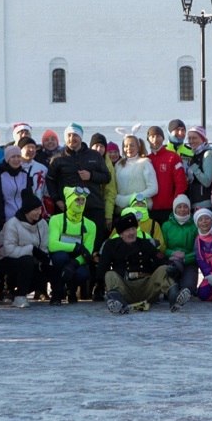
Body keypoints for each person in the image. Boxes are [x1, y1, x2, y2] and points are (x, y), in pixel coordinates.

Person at [100, 212, 191, 314]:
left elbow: (160, 258)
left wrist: (171, 266)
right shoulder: (111, 245)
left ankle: (175, 300)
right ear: (121, 234)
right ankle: (119, 304)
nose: (131, 233)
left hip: (147, 288)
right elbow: (102, 268)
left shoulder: (145, 243)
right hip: (125, 288)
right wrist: (100, 289)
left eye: (133, 229)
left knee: (163, 269)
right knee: (109, 274)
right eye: (127, 230)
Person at [46, 124, 110, 257]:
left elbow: (107, 177)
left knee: (94, 245)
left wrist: (91, 175)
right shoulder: (58, 158)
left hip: (92, 206)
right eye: (69, 135)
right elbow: (50, 181)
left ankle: (92, 269)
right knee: (70, 246)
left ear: (81, 137)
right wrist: (57, 200)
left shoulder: (94, 155)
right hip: (69, 209)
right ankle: (72, 268)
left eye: (75, 135)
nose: (72, 138)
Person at [0, 189, 49, 307]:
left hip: (31, 259)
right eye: (35, 210)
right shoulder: (12, 224)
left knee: (47, 266)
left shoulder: (43, 224)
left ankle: (16, 293)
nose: (39, 212)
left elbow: (44, 247)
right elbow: (9, 250)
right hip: (5, 260)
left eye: (40, 209)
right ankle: (20, 296)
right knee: (26, 261)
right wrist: (31, 250)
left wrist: (43, 259)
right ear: (27, 211)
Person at [47, 186, 97, 304]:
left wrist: (73, 264)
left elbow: (88, 252)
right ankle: (57, 291)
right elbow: (52, 245)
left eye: (83, 200)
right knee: (60, 257)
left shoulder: (91, 225)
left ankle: (72, 291)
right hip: (60, 258)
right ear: (69, 201)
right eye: (77, 200)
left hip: (77, 260)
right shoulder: (56, 219)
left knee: (82, 273)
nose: (80, 203)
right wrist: (76, 247)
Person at [145, 125, 188, 225]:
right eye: (152, 136)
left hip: (168, 208)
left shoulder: (173, 157)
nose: (155, 139)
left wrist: (175, 203)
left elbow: (181, 183)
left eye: (158, 136)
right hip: (150, 209)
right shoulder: (146, 160)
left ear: (163, 138)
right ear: (148, 139)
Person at [161, 194, 199, 295]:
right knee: (171, 288)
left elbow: (199, 250)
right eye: (179, 207)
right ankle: (172, 287)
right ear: (174, 209)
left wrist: (185, 257)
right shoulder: (166, 225)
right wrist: (172, 253)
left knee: (188, 288)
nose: (182, 209)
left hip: (189, 262)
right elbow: (163, 247)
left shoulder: (195, 226)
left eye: (185, 206)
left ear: (189, 209)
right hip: (172, 261)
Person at [114, 134, 158, 214]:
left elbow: (153, 188)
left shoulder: (145, 163)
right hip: (122, 210)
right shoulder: (119, 164)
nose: (128, 148)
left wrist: (134, 198)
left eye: (132, 145)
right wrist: (118, 199)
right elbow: (114, 187)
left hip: (140, 209)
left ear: (138, 147)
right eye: (126, 146)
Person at [184, 126, 212, 211]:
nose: (191, 141)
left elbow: (207, 181)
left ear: (202, 139)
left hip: (204, 203)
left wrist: (194, 167)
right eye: (189, 138)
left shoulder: (208, 154)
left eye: (194, 138)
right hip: (193, 202)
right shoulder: (194, 155)